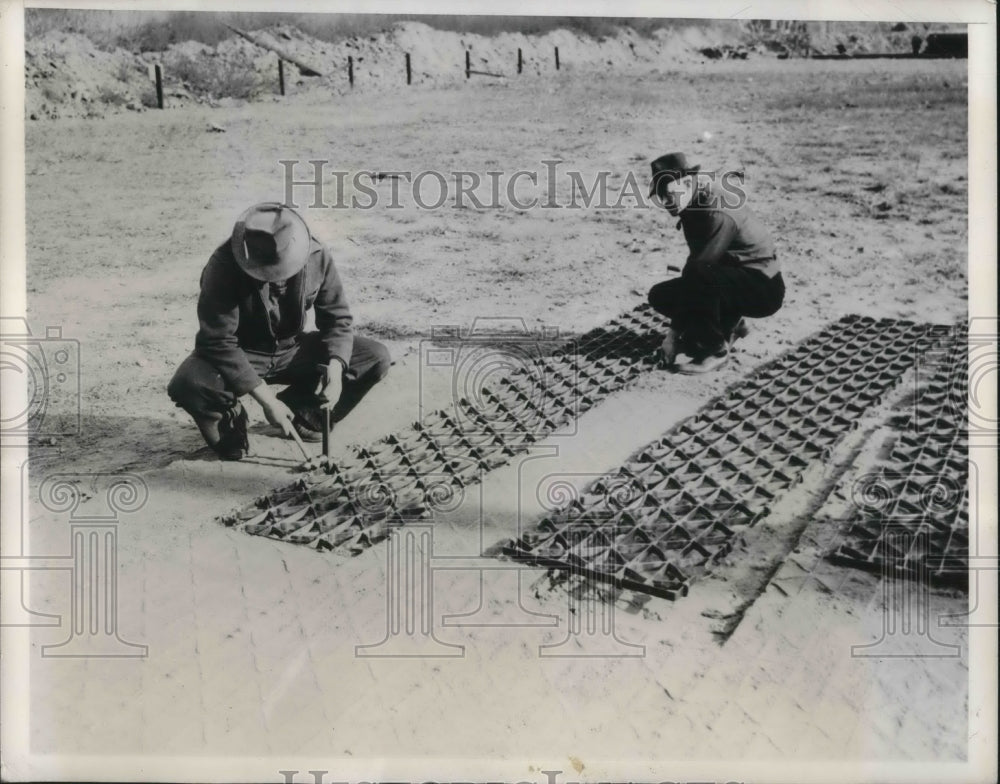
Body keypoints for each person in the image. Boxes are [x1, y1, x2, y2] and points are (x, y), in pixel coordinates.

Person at [168, 202, 391, 460]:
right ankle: (232, 427)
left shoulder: (316, 255)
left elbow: (338, 319)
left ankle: (305, 411)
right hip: (242, 353)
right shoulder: (224, 265)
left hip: (292, 349)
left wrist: (336, 369)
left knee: (374, 357)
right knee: (190, 383)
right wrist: (268, 401)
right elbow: (218, 341)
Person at [646, 152, 784, 374]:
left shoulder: (716, 210)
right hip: (735, 280)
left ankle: (716, 351)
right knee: (660, 296)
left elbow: (698, 271)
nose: (665, 201)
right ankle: (730, 324)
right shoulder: (692, 203)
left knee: (698, 274)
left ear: (689, 182)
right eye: (661, 195)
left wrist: (671, 337)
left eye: (669, 192)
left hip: (763, 289)